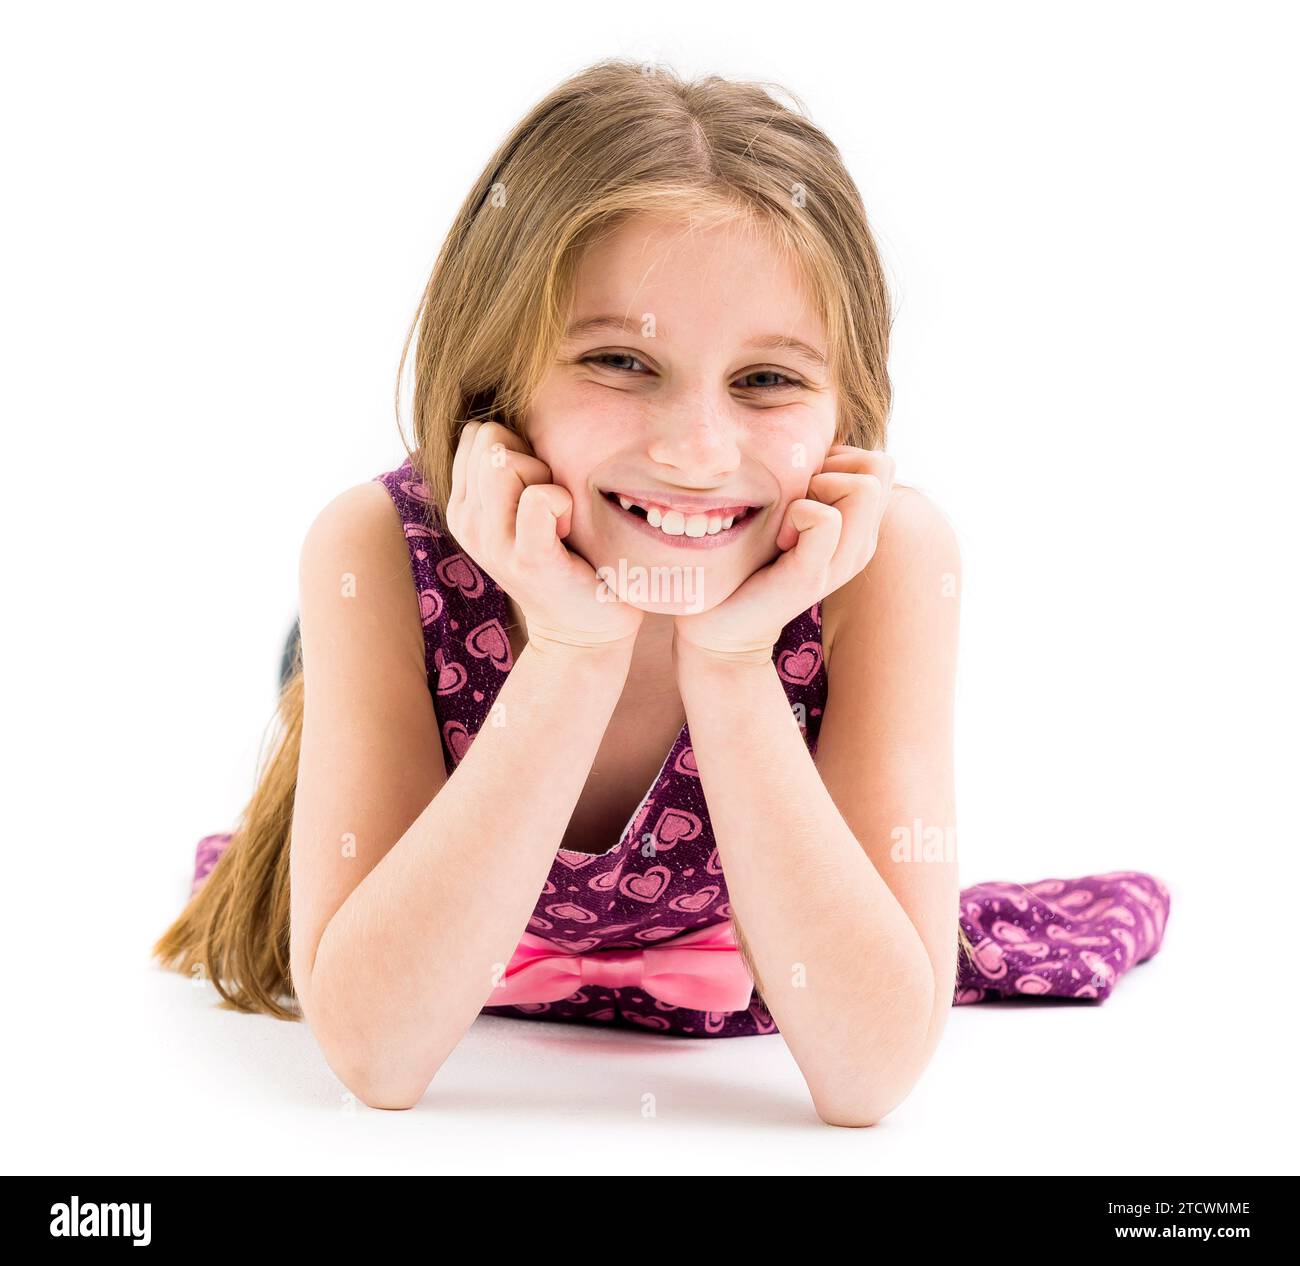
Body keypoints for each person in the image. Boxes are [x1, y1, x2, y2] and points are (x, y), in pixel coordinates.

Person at [154, 58, 1169, 1123]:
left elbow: (867, 1078)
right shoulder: (372, 547)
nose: (695, 451)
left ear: (845, 412)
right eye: (619, 364)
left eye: (766, 381)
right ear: (495, 381)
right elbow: (376, 1057)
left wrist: (732, 662)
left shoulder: (884, 565)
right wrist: (572, 648)